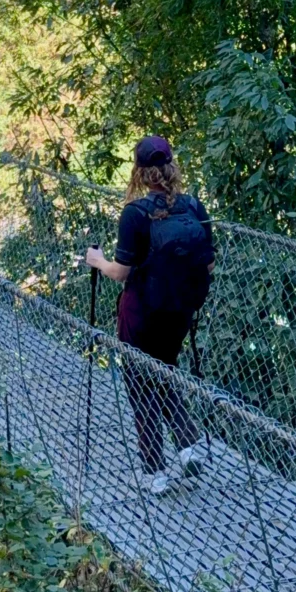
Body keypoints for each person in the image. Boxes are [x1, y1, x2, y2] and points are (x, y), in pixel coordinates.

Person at [86, 136, 215, 495]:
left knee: (140, 383)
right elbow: (208, 264)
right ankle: (189, 445)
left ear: (140, 173)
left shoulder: (136, 213)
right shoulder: (194, 206)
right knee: (164, 371)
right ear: (172, 167)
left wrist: (97, 261)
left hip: (141, 313)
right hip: (179, 313)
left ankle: (155, 472)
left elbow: (120, 272)